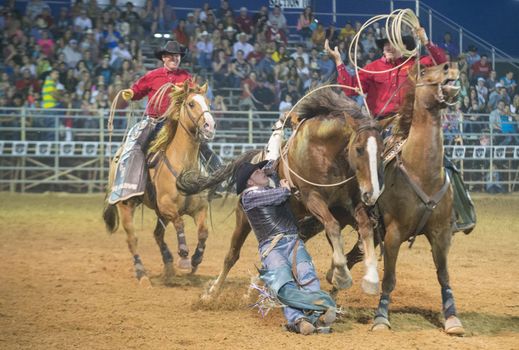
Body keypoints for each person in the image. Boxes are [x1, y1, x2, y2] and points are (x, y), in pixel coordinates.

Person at [325, 27, 476, 233]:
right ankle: (361, 208)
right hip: (383, 124)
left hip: (412, 124)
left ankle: (459, 212)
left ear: (403, 46)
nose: (387, 46)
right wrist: (338, 61)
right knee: (369, 161)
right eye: (384, 43)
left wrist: (426, 41)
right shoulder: (373, 68)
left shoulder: (416, 64)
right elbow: (350, 85)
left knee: (442, 162)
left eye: (391, 42)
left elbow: (442, 65)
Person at [109, 41, 221, 204]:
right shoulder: (152, 76)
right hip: (154, 121)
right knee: (136, 146)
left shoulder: (186, 78)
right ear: (164, 58)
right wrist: (130, 92)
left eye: (177, 56)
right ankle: (128, 186)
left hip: (177, 123)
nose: (174, 59)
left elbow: (194, 95)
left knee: (203, 147)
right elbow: (138, 90)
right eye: (171, 56)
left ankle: (216, 183)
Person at [236, 159, 337, 335]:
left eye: (260, 171)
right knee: (284, 285)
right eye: (256, 173)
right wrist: (284, 188)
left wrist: (274, 166)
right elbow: (278, 196)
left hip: (291, 241)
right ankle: (314, 310)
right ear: (250, 182)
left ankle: (309, 319)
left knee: (307, 275)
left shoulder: (266, 186)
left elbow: (273, 168)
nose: (261, 172)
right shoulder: (248, 197)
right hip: (272, 247)